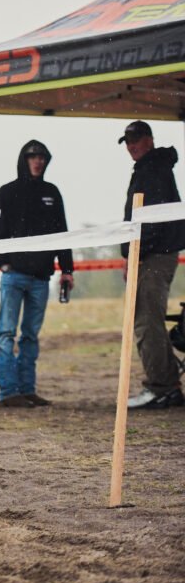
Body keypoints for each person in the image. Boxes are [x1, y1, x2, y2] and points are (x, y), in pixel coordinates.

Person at [0, 140, 74, 408]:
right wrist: (3, 264)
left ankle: (27, 390)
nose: (38, 161)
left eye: (42, 157)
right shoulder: (6, 192)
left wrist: (67, 269)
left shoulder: (52, 193)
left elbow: (62, 232)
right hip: (13, 276)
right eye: (33, 157)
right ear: (24, 160)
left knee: (30, 336)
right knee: (6, 333)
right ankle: (8, 392)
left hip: (41, 278)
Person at [118, 120, 185, 408]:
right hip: (153, 253)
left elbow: (151, 222)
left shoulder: (154, 170)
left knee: (147, 321)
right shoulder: (151, 168)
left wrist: (135, 252)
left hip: (153, 255)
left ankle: (162, 387)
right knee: (148, 319)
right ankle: (166, 382)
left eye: (136, 139)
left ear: (150, 140)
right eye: (128, 141)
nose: (131, 146)